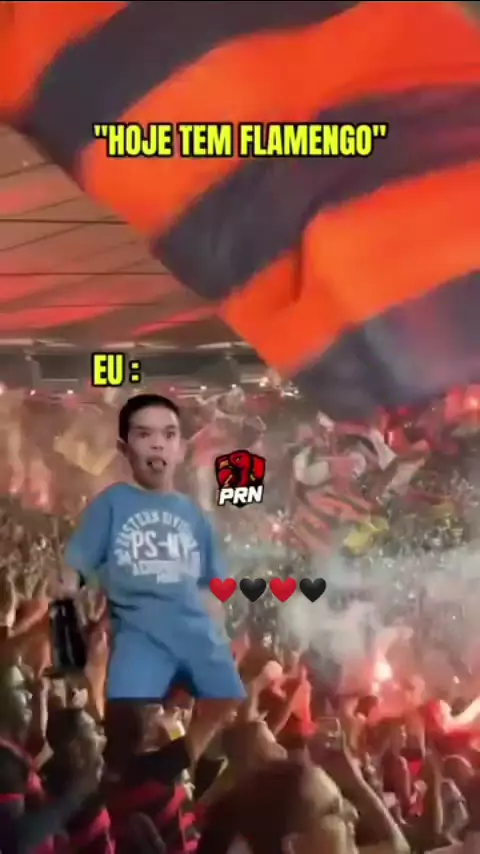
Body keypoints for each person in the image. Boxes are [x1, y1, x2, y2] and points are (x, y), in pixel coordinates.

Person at [65, 394, 245, 757]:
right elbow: (74, 571)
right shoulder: (111, 504)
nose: (158, 444)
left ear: (181, 448)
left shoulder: (193, 515)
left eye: (169, 434)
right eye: (144, 434)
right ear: (124, 448)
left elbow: (211, 589)